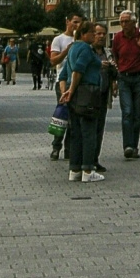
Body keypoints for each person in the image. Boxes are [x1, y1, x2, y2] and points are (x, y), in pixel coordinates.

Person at [58, 23, 108, 182]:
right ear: (83, 33)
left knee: (76, 133)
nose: (95, 35)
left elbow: (64, 73)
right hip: (87, 93)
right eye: (92, 32)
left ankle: (75, 169)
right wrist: (71, 89)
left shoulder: (73, 48)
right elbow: (78, 70)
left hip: (75, 97)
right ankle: (87, 169)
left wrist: (66, 91)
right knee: (89, 132)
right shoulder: (86, 49)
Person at [109, 10, 140, 160]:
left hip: (139, 77)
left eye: (126, 21)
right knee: (127, 111)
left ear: (134, 22)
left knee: (136, 113)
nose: (123, 24)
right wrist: (116, 75)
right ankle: (128, 146)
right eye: (121, 22)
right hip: (124, 78)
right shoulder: (118, 37)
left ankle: (134, 146)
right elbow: (115, 55)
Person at [46, 15, 81, 161]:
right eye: (74, 22)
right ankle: (56, 147)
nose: (77, 25)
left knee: (74, 118)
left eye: (79, 23)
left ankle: (69, 150)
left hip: (77, 81)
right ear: (67, 22)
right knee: (62, 115)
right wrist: (67, 51)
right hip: (63, 81)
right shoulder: (59, 39)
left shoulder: (81, 40)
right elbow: (53, 61)